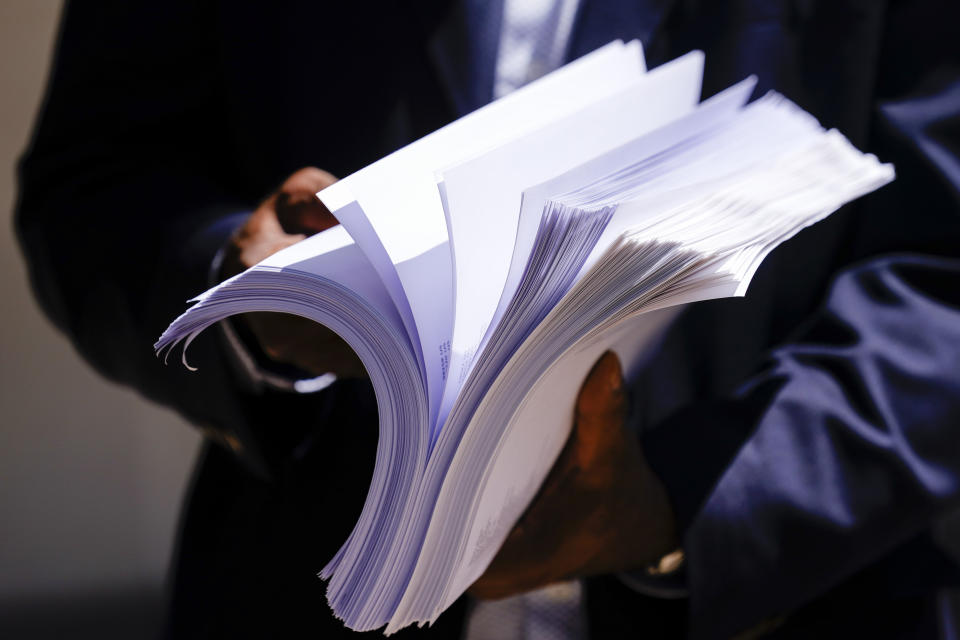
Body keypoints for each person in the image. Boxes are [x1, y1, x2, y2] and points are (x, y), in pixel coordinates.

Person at [15, 0, 960, 638]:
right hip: (306, 580)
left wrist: (690, 503)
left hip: (783, 597)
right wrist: (245, 289)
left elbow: (941, 275)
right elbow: (99, 179)